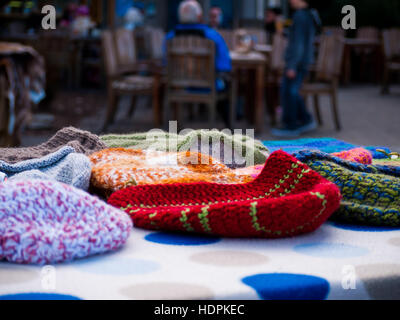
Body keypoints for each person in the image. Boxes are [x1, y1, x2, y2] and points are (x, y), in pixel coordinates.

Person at [165, 0, 232, 125]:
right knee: (228, 82)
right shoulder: (212, 36)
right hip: (209, 85)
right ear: (200, 16)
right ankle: (228, 125)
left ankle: (173, 128)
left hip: (179, 86)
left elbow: (165, 63)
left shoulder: (170, 37)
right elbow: (224, 66)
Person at [271, 0, 319, 137]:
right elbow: (299, 38)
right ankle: (305, 120)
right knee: (292, 91)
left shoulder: (300, 16)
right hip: (302, 61)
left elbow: (298, 44)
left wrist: (292, 65)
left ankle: (291, 125)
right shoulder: (308, 15)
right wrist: (284, 32)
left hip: (297, 63)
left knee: (289, 92)